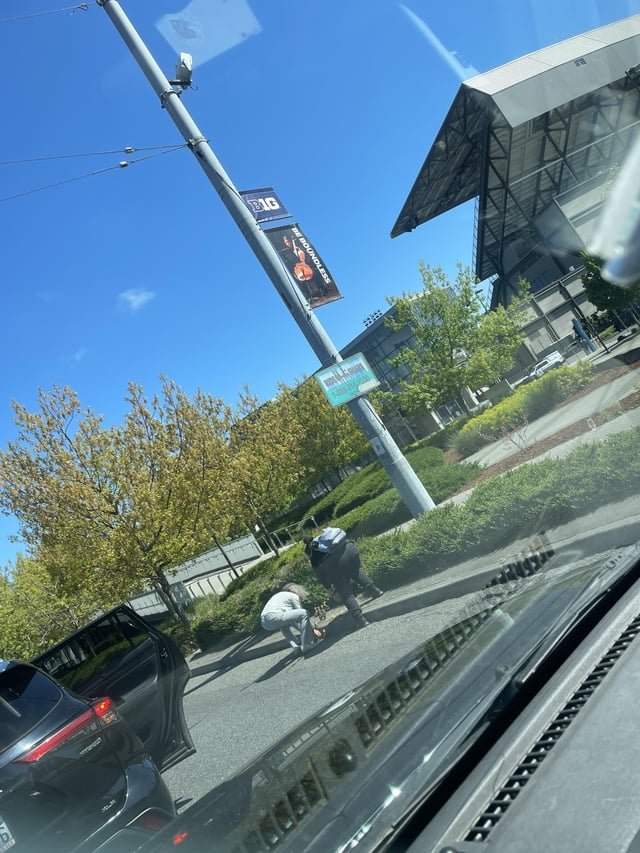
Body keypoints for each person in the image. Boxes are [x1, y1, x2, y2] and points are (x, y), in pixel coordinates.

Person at [303, 534, 383, 630]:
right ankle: (376, 590)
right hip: (350, 548)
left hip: (335, 560)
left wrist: (329, 588)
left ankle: (361, 619)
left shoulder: (313, 553)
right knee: (354, 571)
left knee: (344, 591)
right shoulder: (325, 540)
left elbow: (320, 575)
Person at [260, 583, 325, 655]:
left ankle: (296, 647)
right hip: (274, 616)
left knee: (284, 625)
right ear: (295, 590)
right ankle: (307, 644)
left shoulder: (281, 596)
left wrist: (310, 630)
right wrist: (313, 630)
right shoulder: (293, 596)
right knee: (304, 613)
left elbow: (294, 621)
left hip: (265, 622)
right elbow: (301, 617)